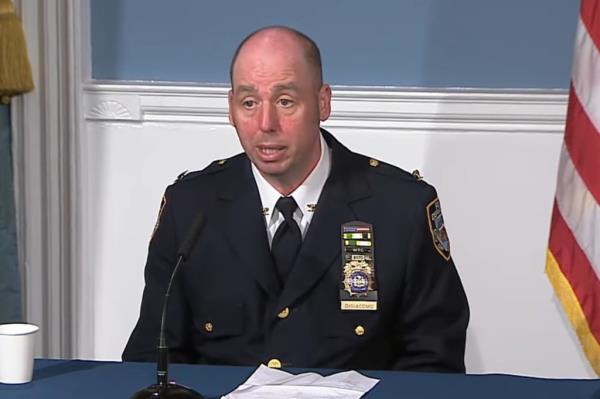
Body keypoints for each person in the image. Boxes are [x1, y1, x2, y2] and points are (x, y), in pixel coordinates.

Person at [123, 26, 469, 372]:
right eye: (249, 103)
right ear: (231, 109)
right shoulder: (190, 207)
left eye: (285, 101)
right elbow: (153, 358)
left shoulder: (400, 208)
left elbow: (435, 362)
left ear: (323, 103)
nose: (266, 123)